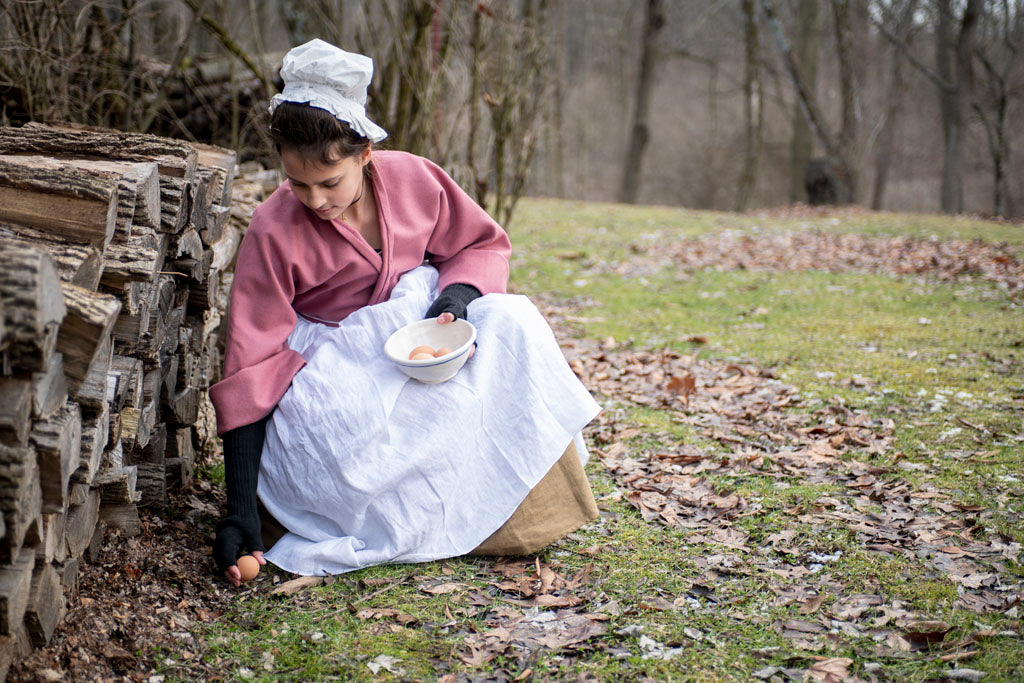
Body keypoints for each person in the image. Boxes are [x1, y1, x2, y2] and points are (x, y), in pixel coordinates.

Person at [209, 39, 600, 587]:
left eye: (330, 183)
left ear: (365, 154)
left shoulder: (416, 178)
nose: (316, 200)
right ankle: (413, 516)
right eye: (299, 184)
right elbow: (251, 364)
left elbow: (480, 246)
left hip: (420, 325)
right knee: (357, 429)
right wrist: (240, 511)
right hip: (332, 363)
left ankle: (515, 511)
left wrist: (458, 296)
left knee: (514, 321)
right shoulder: (273, 229)